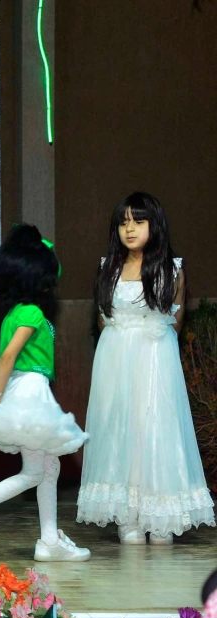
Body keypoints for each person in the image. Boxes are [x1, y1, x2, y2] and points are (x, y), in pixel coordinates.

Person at [77, 192, 215, 543]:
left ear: (154, 225)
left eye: (138, 221)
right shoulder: (108, 266)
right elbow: (103, 317)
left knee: (155, 428)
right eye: (123, 222)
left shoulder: (172, 270)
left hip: (155, 359)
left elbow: (176, 320)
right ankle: (129, 515)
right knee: (120, 427)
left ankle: (161, 514)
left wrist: (151, 350)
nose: (130, 228)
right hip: (116, 359)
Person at [0, 225, 91, 561]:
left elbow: (10, 359)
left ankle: (48, 541)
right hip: (30, 390)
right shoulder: (31, 312)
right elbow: (9, 355)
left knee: (47, 468)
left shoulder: (16, 312)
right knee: (36, 471)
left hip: (26, 388)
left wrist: (0, 392)